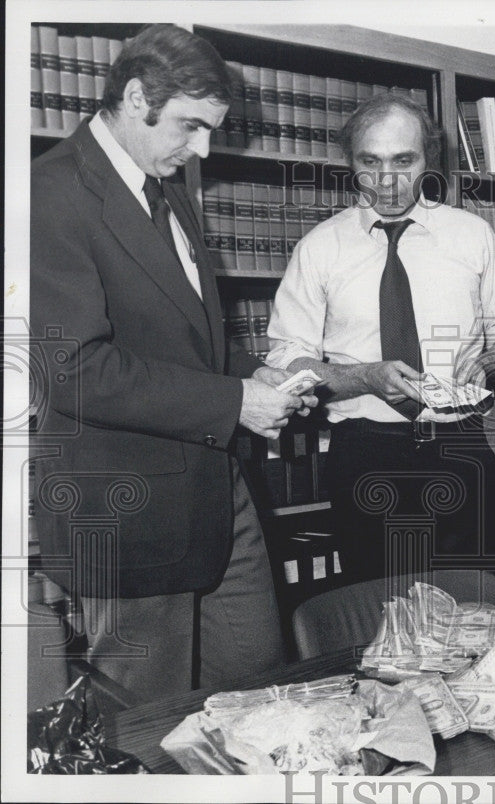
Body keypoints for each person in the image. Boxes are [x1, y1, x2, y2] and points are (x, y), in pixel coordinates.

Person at [30, 24, 315, 703]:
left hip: (218, 494)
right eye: (191, 127)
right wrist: (234, 403)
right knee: (148, 730)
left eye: (211, 130)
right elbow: (72, 369)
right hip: (125, 511)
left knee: (257, 699)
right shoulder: (48, 194)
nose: (204, 150)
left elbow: (180, 342)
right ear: (135, 97)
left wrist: (251, 375)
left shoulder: (168, 190)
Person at [266, 93, 495, 582]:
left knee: (489, 606)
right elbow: (288, 361)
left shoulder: (473, 236)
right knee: (386, 619)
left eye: (403, 160)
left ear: (427, 160)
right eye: (370, 162)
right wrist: (365, 378)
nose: (387, 181)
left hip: (463, 448)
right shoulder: (318, 249)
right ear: (350, 162)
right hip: (366, 454)